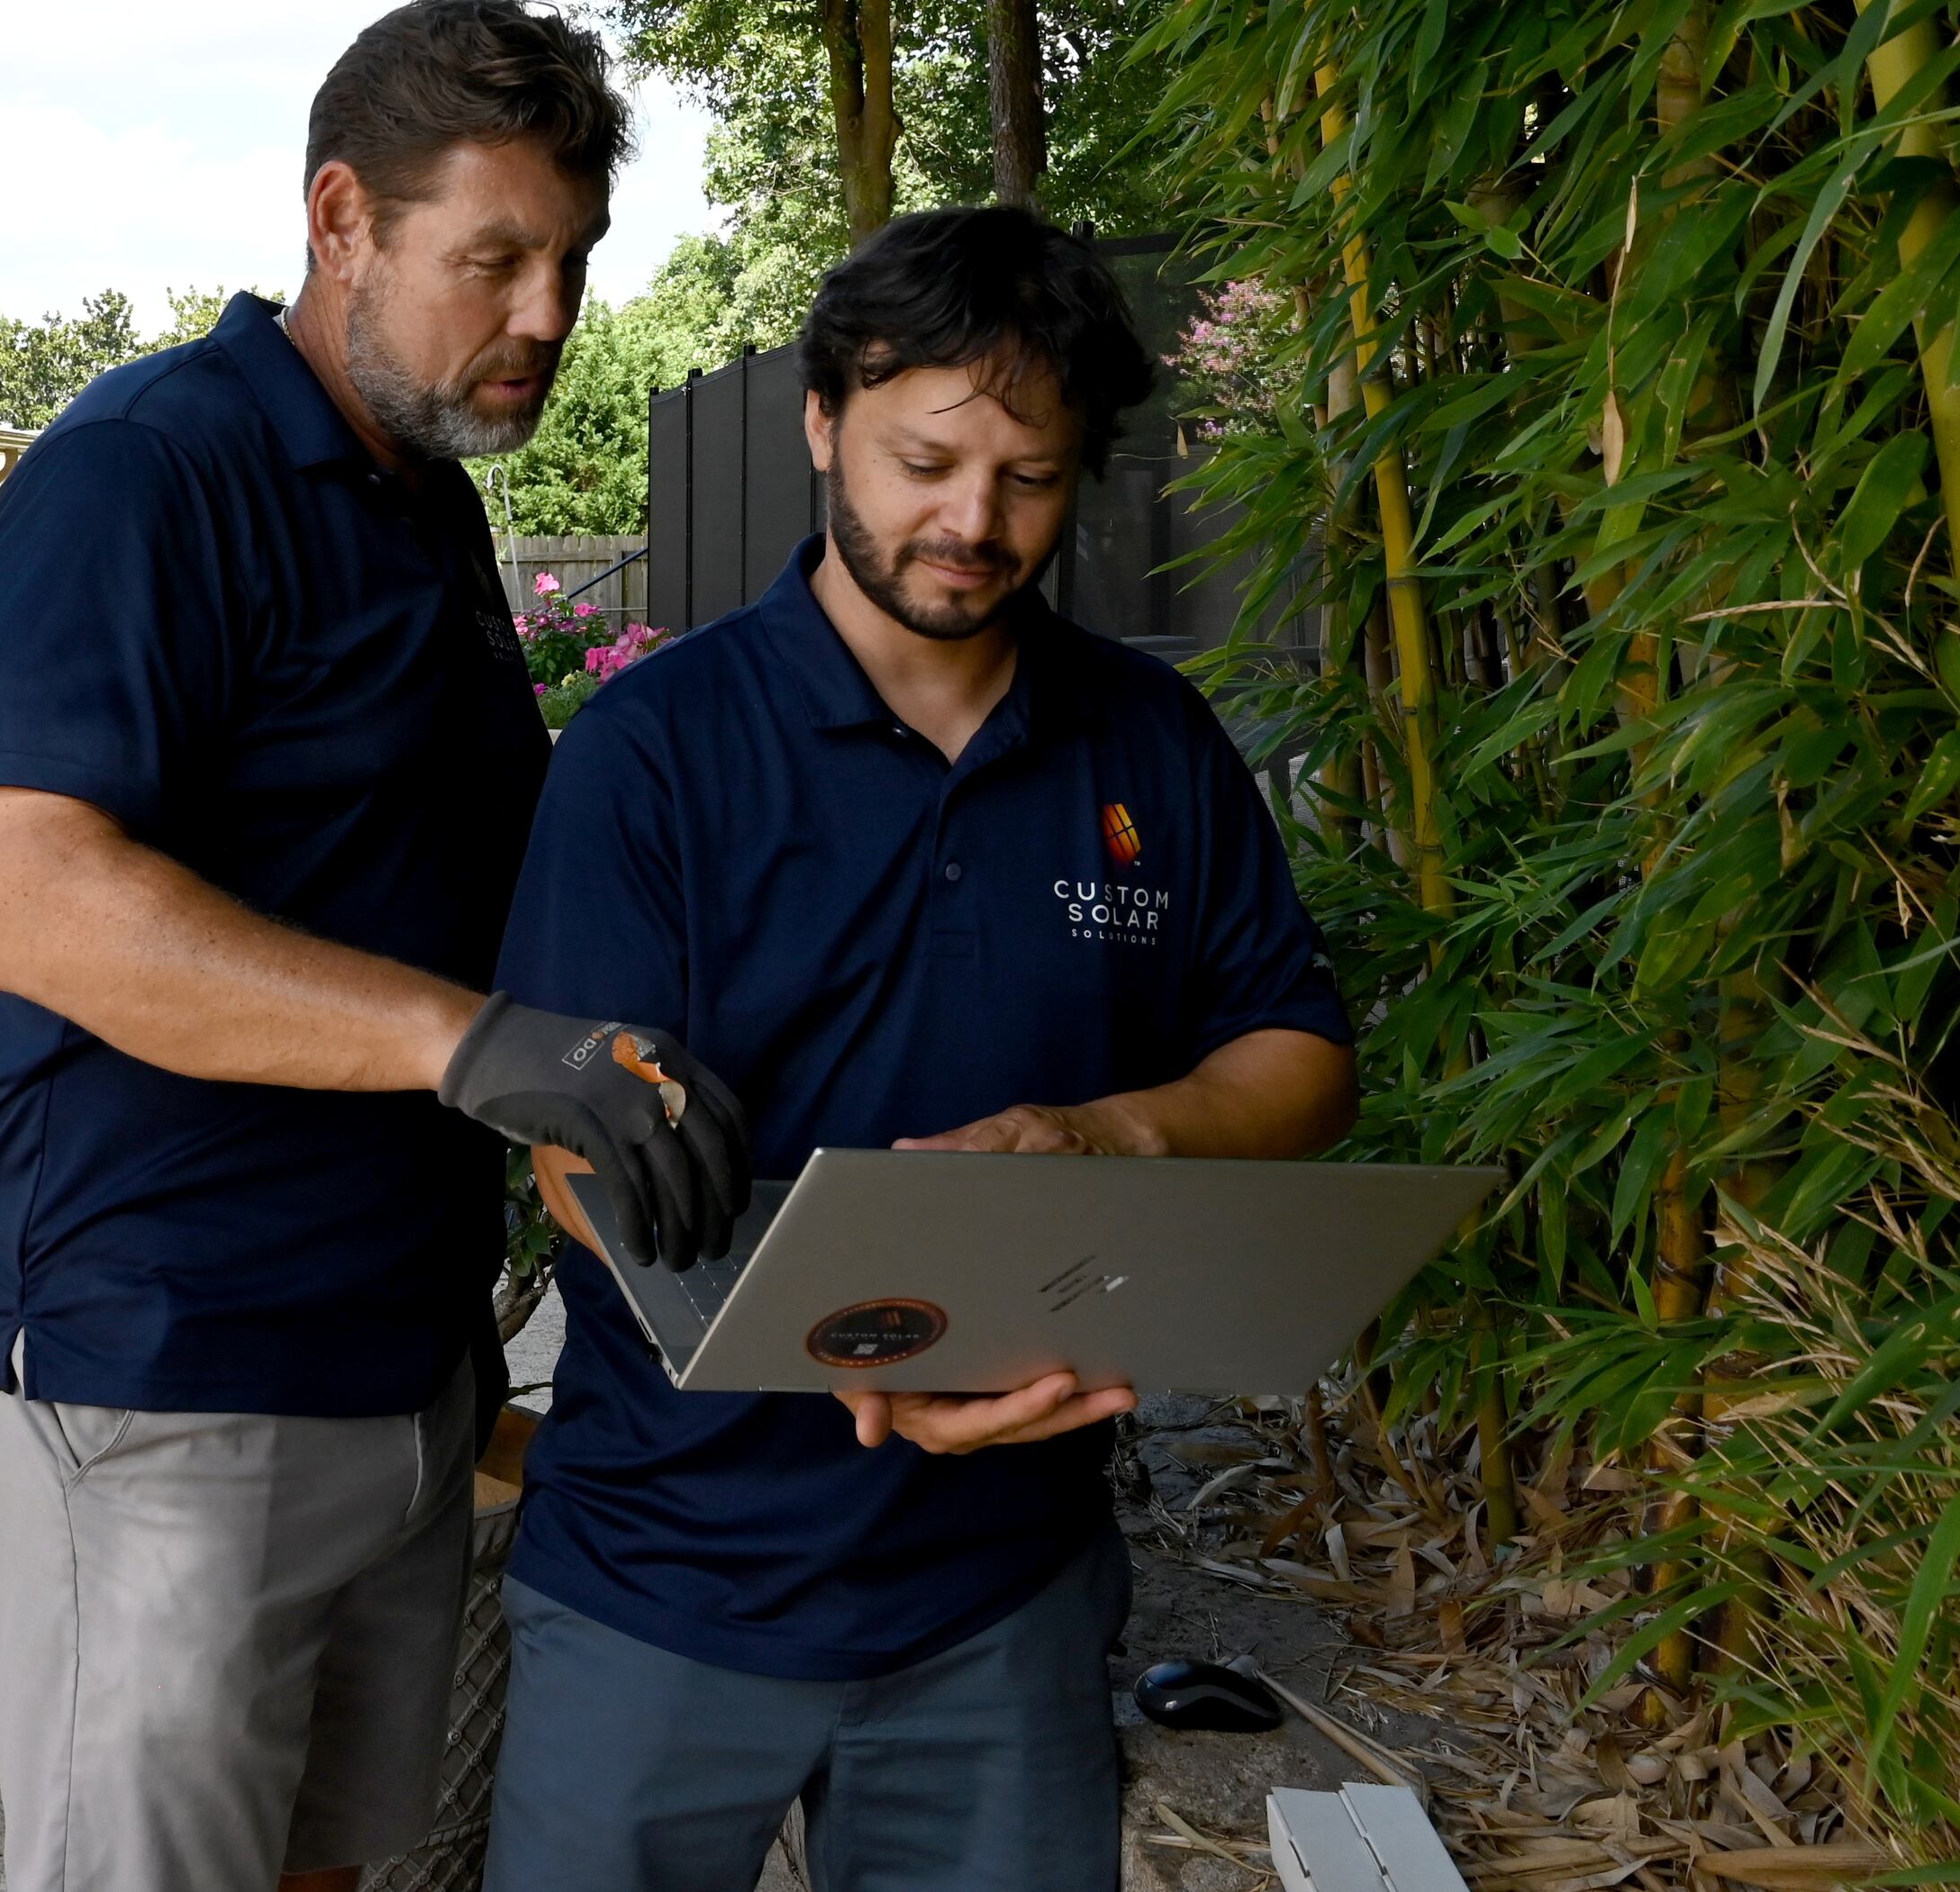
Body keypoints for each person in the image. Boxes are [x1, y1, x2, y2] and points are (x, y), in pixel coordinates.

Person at [0, 0, 755, 1892]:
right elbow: (35, 898)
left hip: (401, 1356)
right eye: (496, 258)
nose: (548, 312)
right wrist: (475, 1044)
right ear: (340, 222)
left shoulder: (431, 506)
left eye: (571, 260)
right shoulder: (146, 472)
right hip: (162, 1377)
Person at [480, 205, 1361, 1892]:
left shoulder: (1147, 739)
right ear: (822, 421)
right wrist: (857, 1344)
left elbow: (1299, 1054)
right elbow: (581, 1158)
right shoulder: (655, 754)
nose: (972, 519)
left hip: (1004, 1592)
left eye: (1030, 477)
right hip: (667, 1572)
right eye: (924, 458)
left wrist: (1113, 1133)